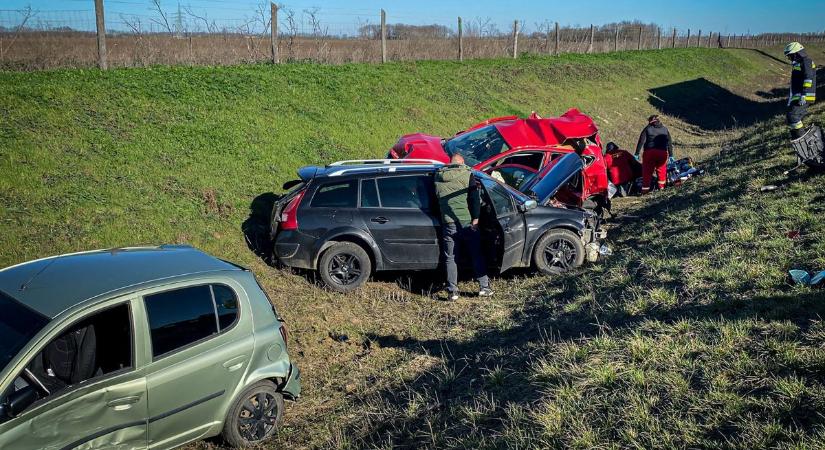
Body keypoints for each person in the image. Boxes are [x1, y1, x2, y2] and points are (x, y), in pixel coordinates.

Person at [434, 154, 493, 300]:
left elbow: (435, 197)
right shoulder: (467, 175)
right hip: (465, 221)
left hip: (447, 222)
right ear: (462, 163)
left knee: (450, 257)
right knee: (476, 253)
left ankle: (452, 291)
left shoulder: (438, 176)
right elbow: (474, 200)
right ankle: (484, 287)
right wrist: (476, 219)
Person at [784, 42, 817, 139]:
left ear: (796, 53)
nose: (789, 58)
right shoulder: (799, 63)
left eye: (790, 56)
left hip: (804, 96)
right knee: (790, 117)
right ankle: (796, 139)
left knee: (793, 116)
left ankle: (803, 139)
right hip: (798, 96)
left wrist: (804, 94)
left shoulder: (806, 61)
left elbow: (808, 78)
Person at [634, 115, 673, 194]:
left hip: (650, 152)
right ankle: (662, 189)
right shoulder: (665, 129)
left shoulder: (648, 128)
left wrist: (637, 153)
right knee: (661, 170)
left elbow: (641, 141)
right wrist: (671, 155)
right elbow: (669, 142)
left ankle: (645, 190)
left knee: (647, 172)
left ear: (650, 121)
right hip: (662, 153)